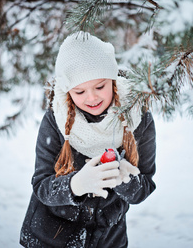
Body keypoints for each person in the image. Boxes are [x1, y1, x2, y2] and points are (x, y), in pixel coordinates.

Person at [20, 32, 156, 248]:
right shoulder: (57, 118)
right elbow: (41, 185)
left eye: (100, 86)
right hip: (50, 238)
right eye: (80, 91)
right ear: (68, 91)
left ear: (112, 79)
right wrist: (74, 185)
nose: (92, 98)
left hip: (108, 239)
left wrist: (126, 181)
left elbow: (145, 186)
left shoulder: (137, 117)